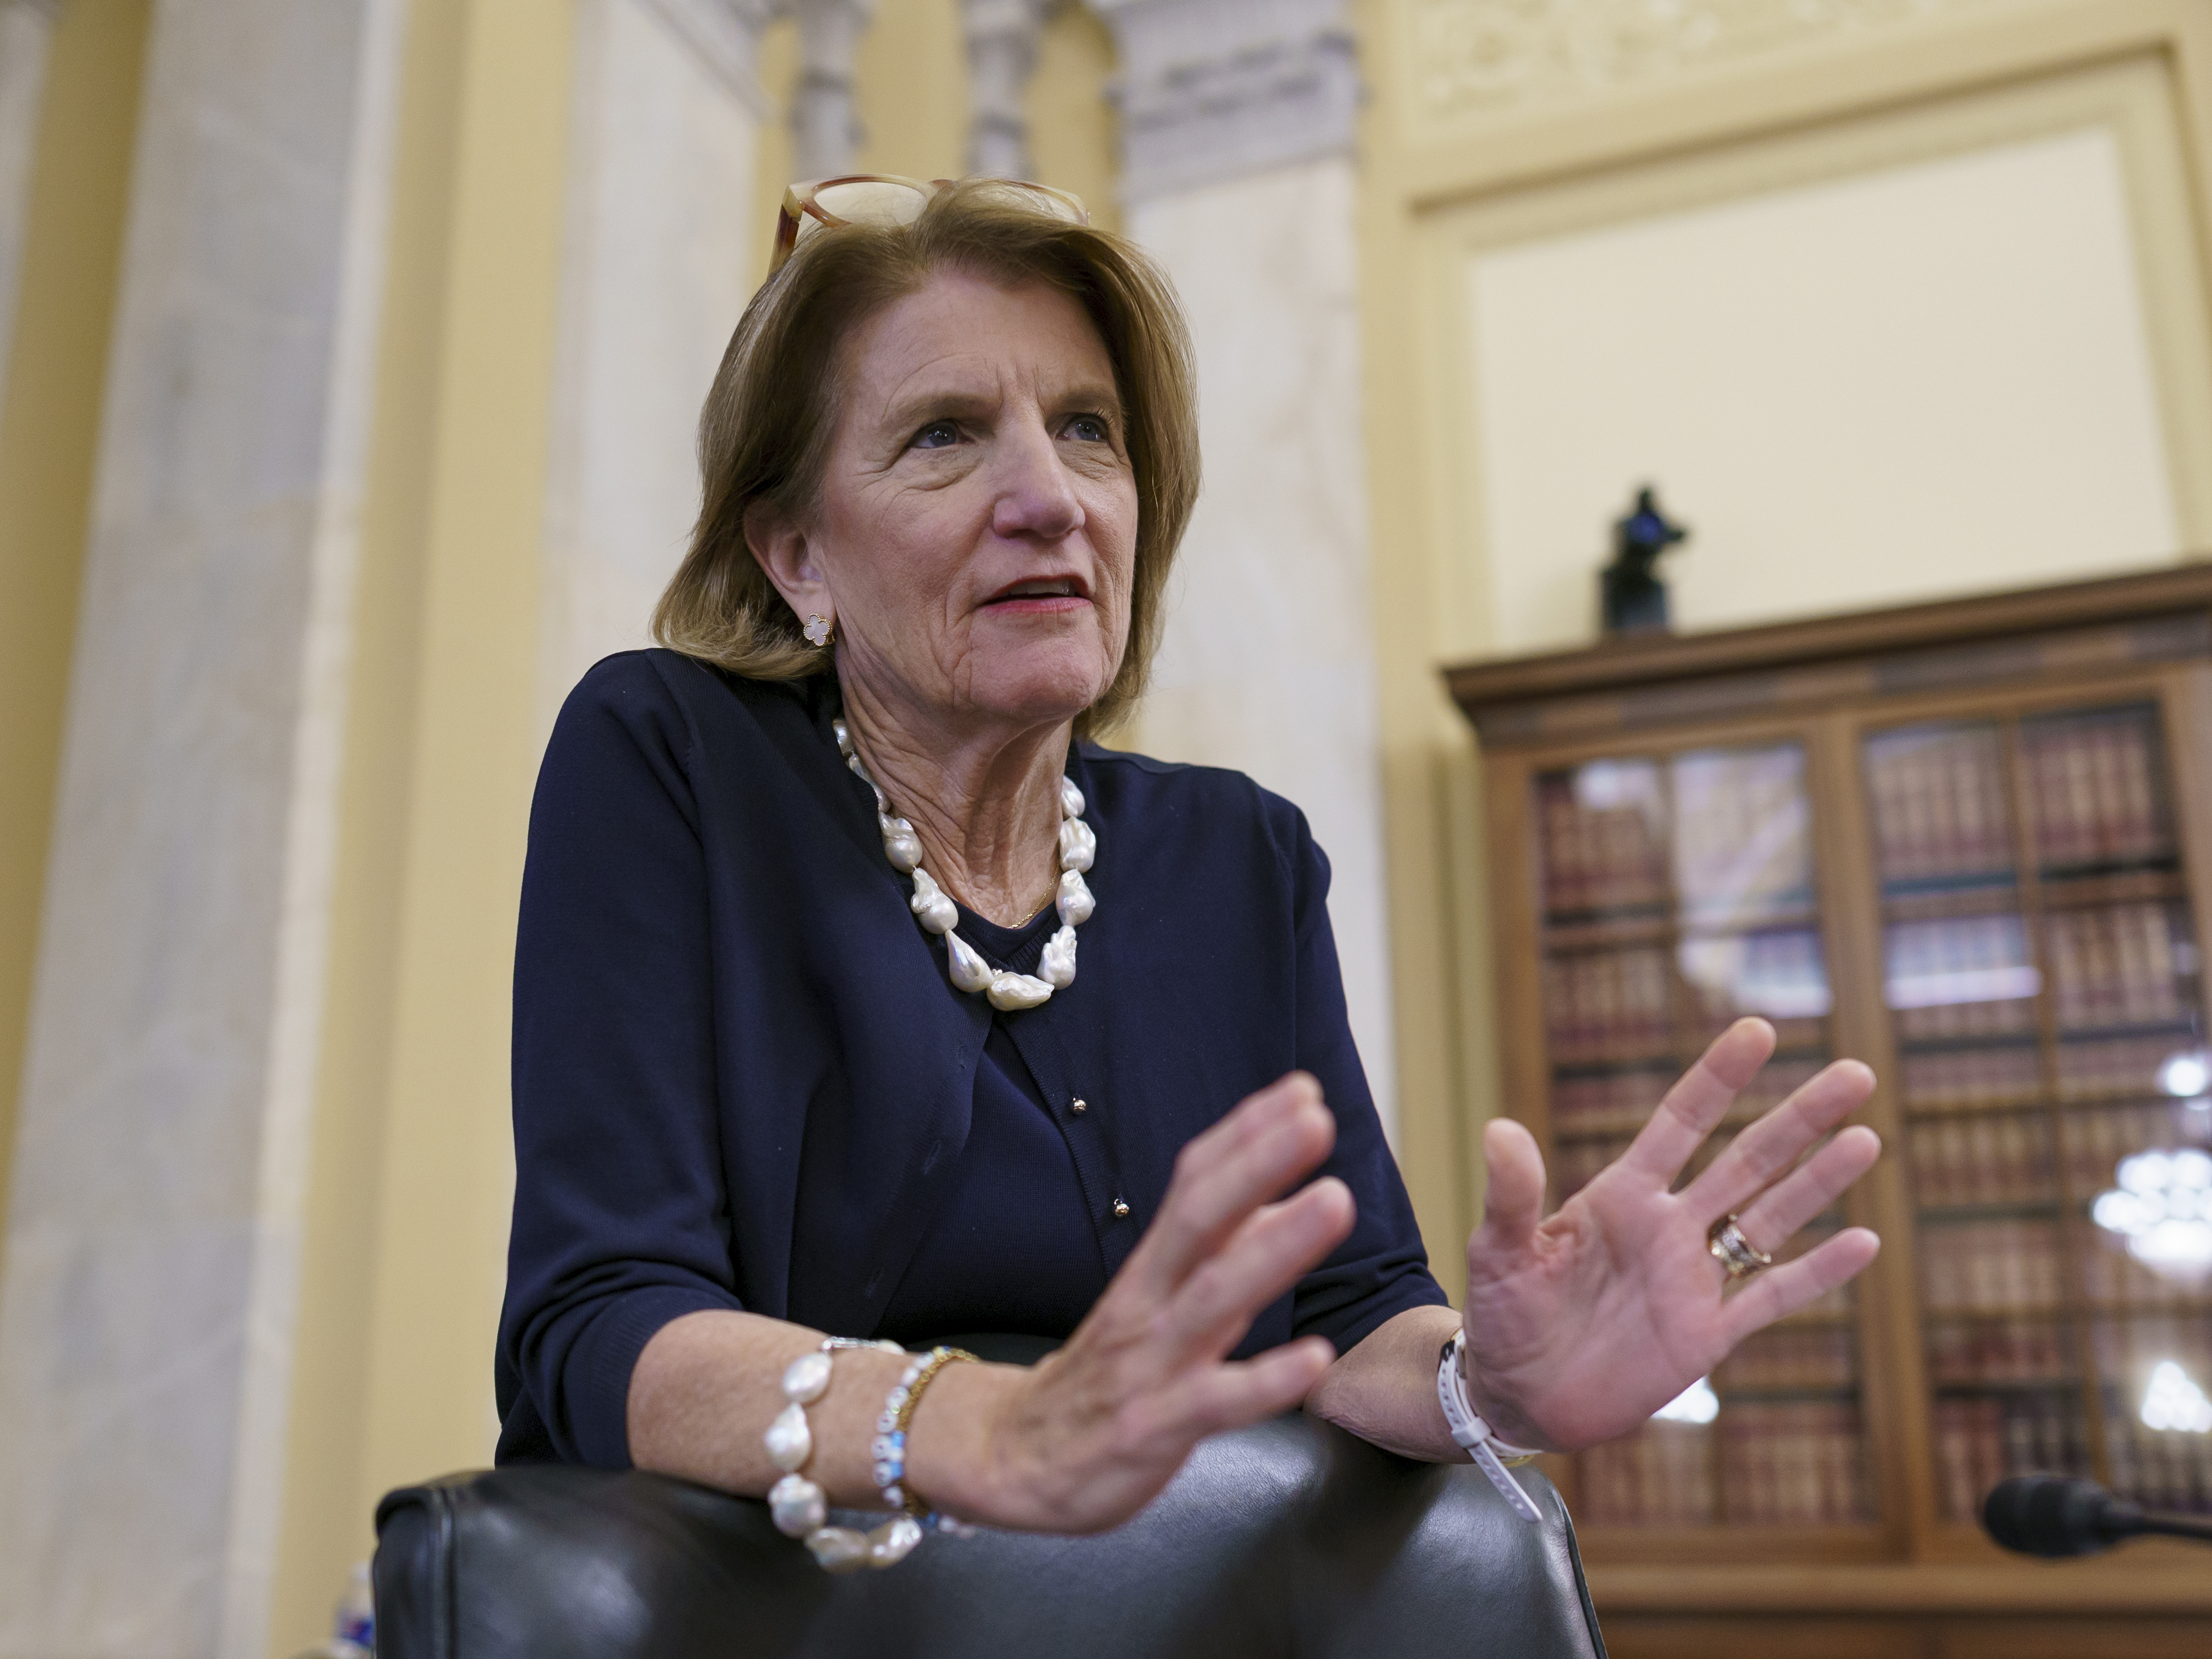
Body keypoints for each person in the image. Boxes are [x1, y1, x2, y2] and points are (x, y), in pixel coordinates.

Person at [494, 176, 1882, 1559]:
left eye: (1087, 430)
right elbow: (603, 1320)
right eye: (944, 436)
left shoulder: (1240, 858)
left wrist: (1490, 1384)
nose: (1049, 498)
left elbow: (1350, 1309)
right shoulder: (671, 757)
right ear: (798, 556)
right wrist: (986, 1430)